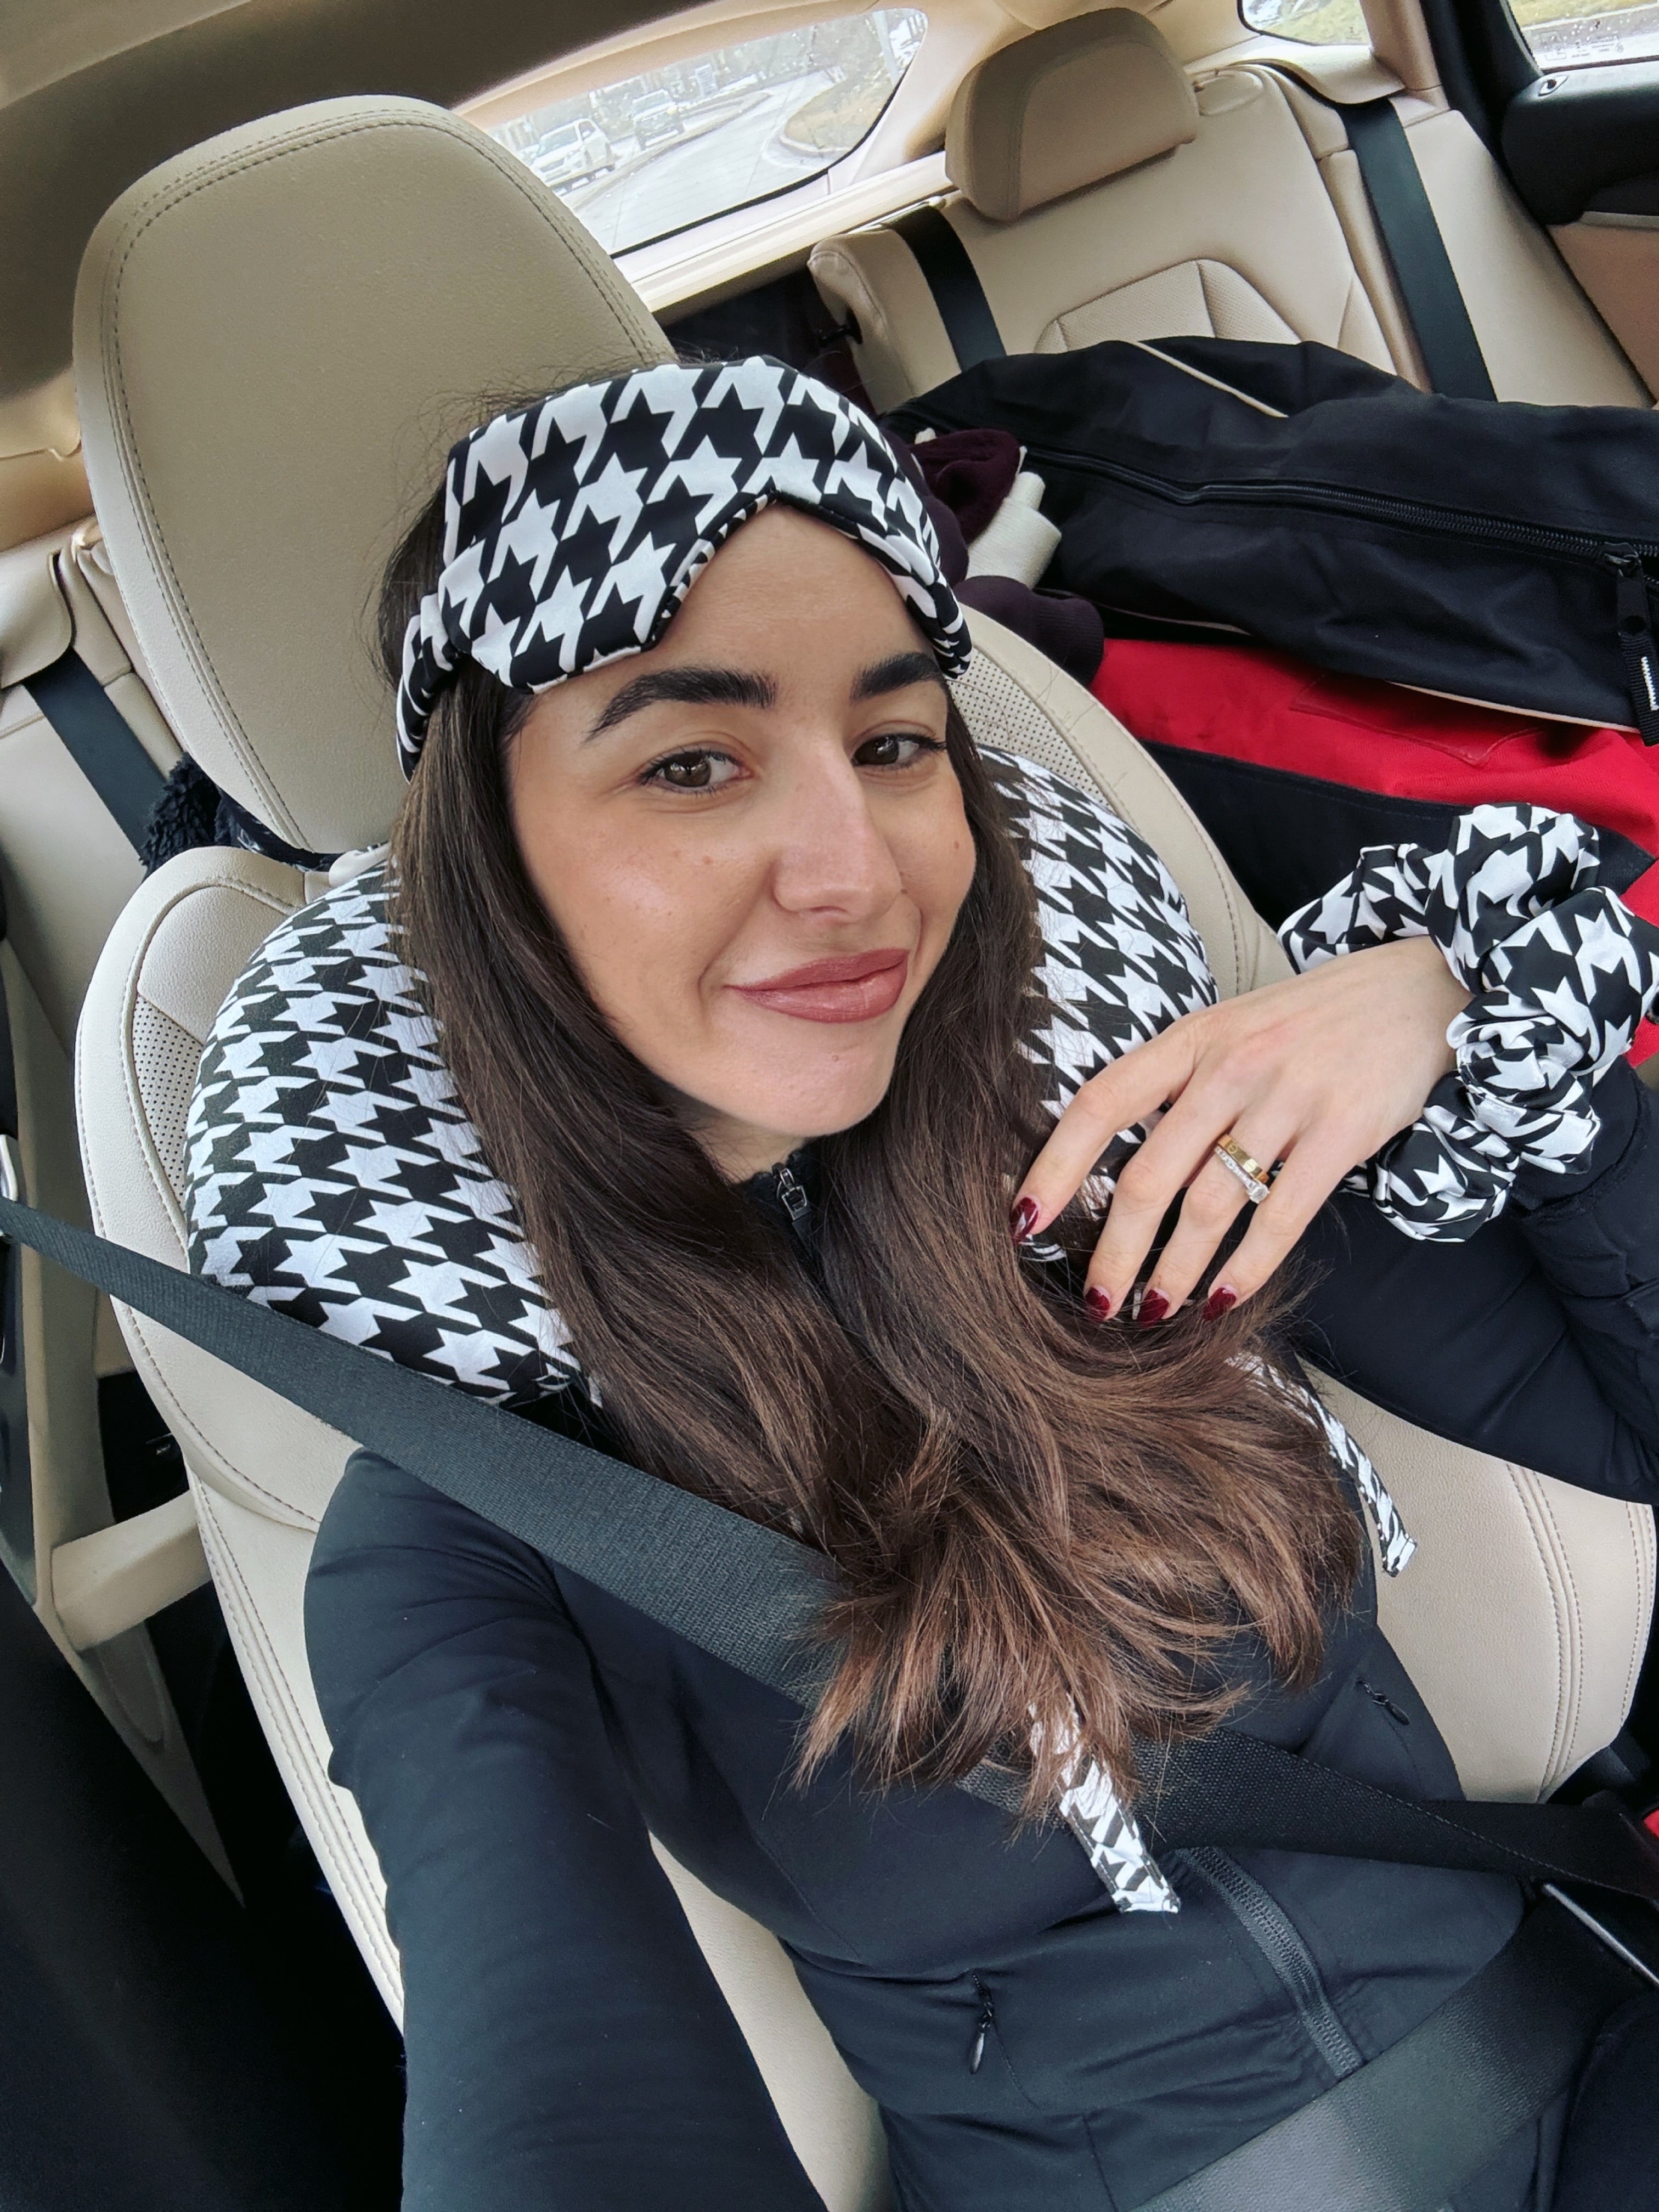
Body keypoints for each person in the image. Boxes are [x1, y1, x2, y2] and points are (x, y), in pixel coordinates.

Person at [185, 358, 1659, 2210]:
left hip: (1586, 2034)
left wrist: (1450, 1015)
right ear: (496, 865)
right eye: (691, 761)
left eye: (894, 744)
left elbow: (1627, 1425)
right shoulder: (487, 1494)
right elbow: (556, 2101)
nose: (852, 874)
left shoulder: (1108, 1153)